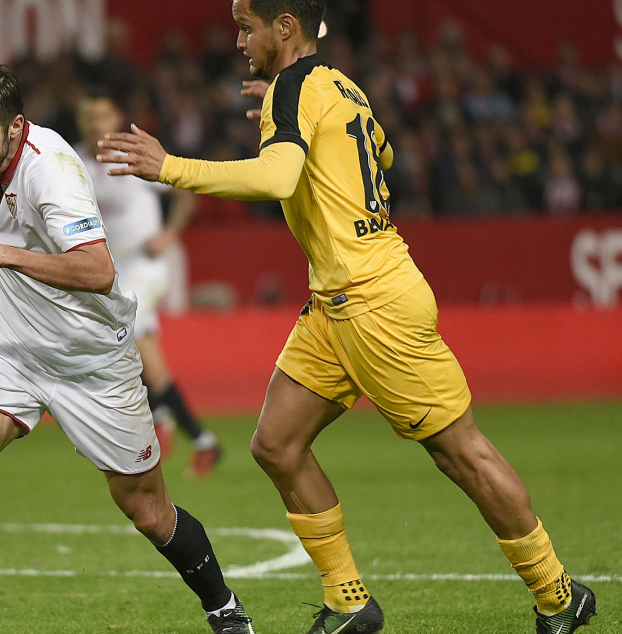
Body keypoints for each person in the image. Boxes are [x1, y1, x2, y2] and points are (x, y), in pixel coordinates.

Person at [96, 1, 598, 633]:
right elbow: (381, 157)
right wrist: (304, 128)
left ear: (284, 27)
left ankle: (558, 594)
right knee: (276, 446)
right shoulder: (341, 86)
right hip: (336, 305)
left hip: (374, 299)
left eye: (246, 25)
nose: (237, 38)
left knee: (460, 452)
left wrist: (169, 167)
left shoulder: (294, 87)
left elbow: (278, 180)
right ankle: (349, 601)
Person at [0, 61, 253, 634]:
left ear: (16, 128)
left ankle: (225, 610)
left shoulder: (52, 172)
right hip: (13, 344)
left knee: (148, 510)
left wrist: (1, 252)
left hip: (93, 360)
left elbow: (98, 270)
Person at [75, 93, 223, 477]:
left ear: (116, 118)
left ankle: (161, 419)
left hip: (147, 266)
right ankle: (199, 437)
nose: (96, 124)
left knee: (133, 333)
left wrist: (170, 235)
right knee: (132, 347)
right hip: (112, 274)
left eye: (103, 115)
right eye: (90, 117)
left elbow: (185, 191)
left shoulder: (132, 156)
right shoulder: (75, 164)